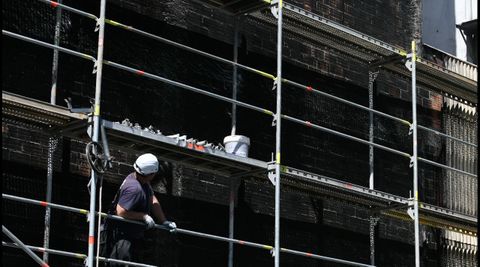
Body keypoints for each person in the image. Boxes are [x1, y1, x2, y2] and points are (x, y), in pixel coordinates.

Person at [106, 153, 177, 265]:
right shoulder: (135, 189)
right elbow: (120, 211)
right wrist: (143, 216)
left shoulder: (141, 180)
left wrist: (164, 221)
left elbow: (152, 199)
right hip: (122, 238)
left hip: (132, 237)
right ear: (151, 174)